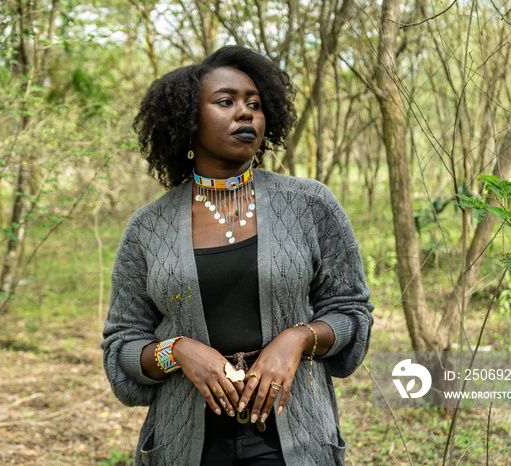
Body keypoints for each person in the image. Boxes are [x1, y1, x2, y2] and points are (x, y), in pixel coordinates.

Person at [102, 45, 373, 466]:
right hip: (185, 446)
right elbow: (122, 344)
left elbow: (351, 312)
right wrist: (176, 351)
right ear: (187, 121)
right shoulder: (147, 228)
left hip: (295, 442)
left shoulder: (310, 203)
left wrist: (298, 339)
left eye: (254, 104)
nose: (245, 113)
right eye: (226, 102)